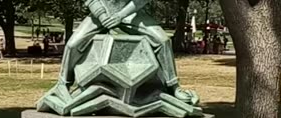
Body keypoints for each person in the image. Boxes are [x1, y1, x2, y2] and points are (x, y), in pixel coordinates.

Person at [43, 0, 198, 105]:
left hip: (131, 14)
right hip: (100, 15)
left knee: (163, 41)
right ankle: (63, 84)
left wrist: (121, 15)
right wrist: (102, 15)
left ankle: (173, 87)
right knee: (72, 45)